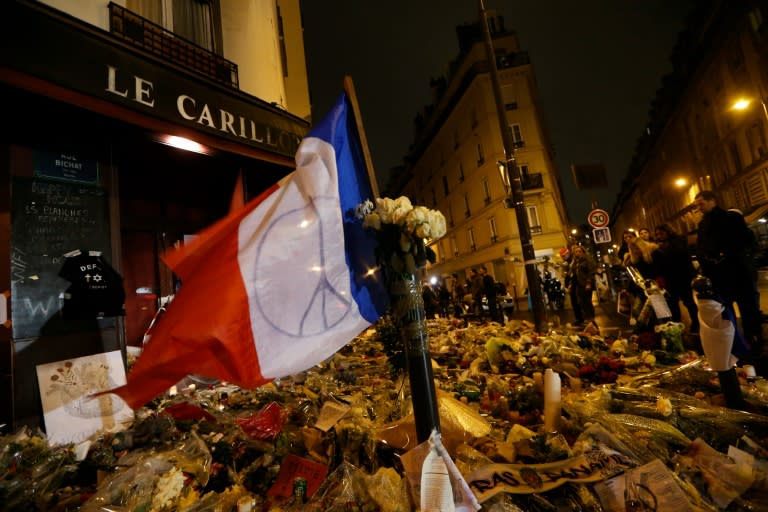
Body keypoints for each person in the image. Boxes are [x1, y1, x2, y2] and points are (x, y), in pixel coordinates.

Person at [694, 190, 765, 368]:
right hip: (719, 276)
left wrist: (724, 255)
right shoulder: (702, 224)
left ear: (712, 201)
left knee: (748, 308)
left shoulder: (730, 218)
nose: (698, 207)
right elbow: (701, 248)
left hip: (737, 272)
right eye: (697, 204)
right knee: (726, 312)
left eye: (701, 203)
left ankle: (755, 343)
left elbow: (741, 242)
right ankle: (735, 344)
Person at [653, 223, 699, 335]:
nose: (659, 236)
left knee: (688, 301)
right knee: (673, 304)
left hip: (682, 277)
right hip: (669, 279)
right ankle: (677, 325)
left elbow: (681, 256)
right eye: (657, 234)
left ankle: (696, 323)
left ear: (668, 231)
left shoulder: (678, 241)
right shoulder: (657, 245)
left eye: (661, 233)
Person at [567, 245, 597, 327]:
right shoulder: (576, 262)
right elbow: (573, 274)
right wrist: (570, 284)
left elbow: (591, 272)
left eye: (579, 251)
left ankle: (591, 319)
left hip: (585, 284)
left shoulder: (587, 260)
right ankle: (586, 319)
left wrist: (588, 283)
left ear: (583, 252)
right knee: (581, 302)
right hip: (578, 284)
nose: (577, 253)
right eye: (576, 252)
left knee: (587, 302)